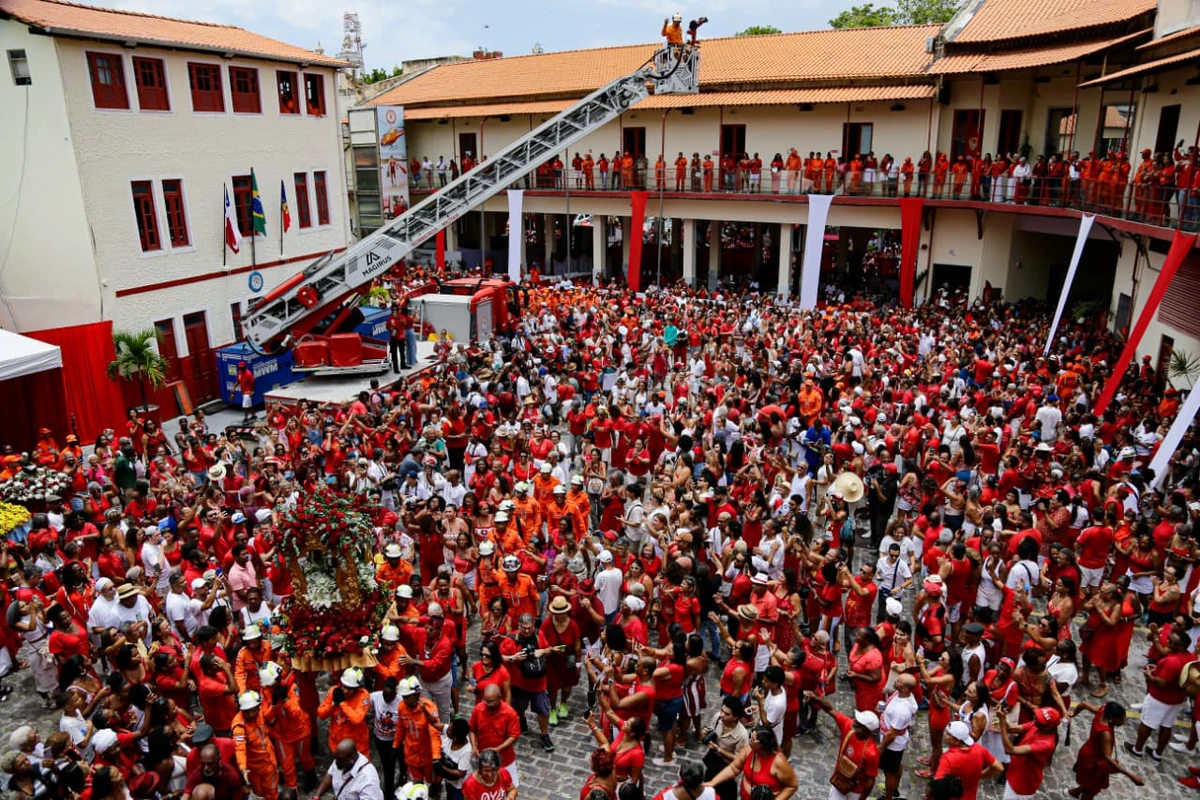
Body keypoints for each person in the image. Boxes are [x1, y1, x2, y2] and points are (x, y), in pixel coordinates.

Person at [1125, 629, 1197, 760]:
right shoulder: (1190, 657)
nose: (1168, 642)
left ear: (1179, 646)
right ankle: (1157, 753)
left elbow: (1161, 683)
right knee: (1166, 726)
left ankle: (1137, 749)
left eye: (1171, 642)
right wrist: (1158, 669)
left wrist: (1149, 675)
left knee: (1146, 723)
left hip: (1160, 698)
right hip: (1176, 699)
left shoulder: (1172, 661)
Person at [805, 693, 878, 800]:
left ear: (866, 729)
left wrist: (862, 798)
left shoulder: (872, 753)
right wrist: (815, 698)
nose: (855, 722)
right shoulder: (849, 726)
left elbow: (871, 780)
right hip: (839, 781)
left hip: (856, 791)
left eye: (858, 723)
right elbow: (831, 710)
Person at [1067, 701, 1144, 799]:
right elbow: (1107, 757)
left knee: (1089, 783)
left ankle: (1075, 792)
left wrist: (1074, 713)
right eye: (1120, 720)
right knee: (1091, 791)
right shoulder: (1105, 734)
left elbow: (1083, 704)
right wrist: (1130, 775)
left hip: (1087, 752)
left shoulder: (1102, 712)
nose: (1122, 722)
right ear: (1111, 718)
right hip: (1093, 762)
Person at [703, 724, 797, 800]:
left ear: (762, 744)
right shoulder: (748, 751)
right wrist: (713, 782)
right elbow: (734, 768)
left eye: (752, 739)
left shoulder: (779, 762)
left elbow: (792, 786)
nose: (749, 741)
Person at [997, 706, 1060, 799]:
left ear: (1049, 726)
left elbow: (1010, 750)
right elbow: (1011, 728)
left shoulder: (1046, 744)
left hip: (1022, 784)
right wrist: (1003, 717)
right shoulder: (1036, 725)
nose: (1035, 718)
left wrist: (1002, 722)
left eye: (1039, 719)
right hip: (1015, 774)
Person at [314, 737, 385, 800]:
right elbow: (330, 774)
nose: (336, 762)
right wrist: (317, 796)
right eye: (336, 758)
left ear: (352, 759)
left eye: (339, 760)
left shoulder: (368, 778)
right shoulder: (340, 760)